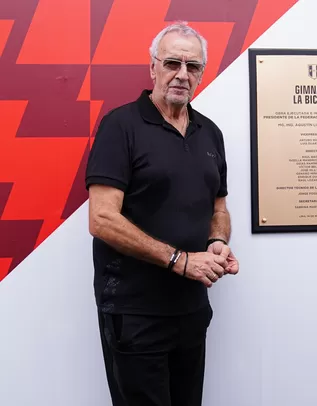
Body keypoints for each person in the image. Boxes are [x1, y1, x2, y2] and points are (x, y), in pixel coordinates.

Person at [85, 21, 239, 406]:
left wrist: (218, 242)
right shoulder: (121, 126)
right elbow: (101, 219)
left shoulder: (210, 133)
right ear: (153, 66)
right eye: (173, 63)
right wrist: (178, 260)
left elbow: (218, 207)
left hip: (190, 310)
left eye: (193, 67)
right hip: (134, 313)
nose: (182, 75)